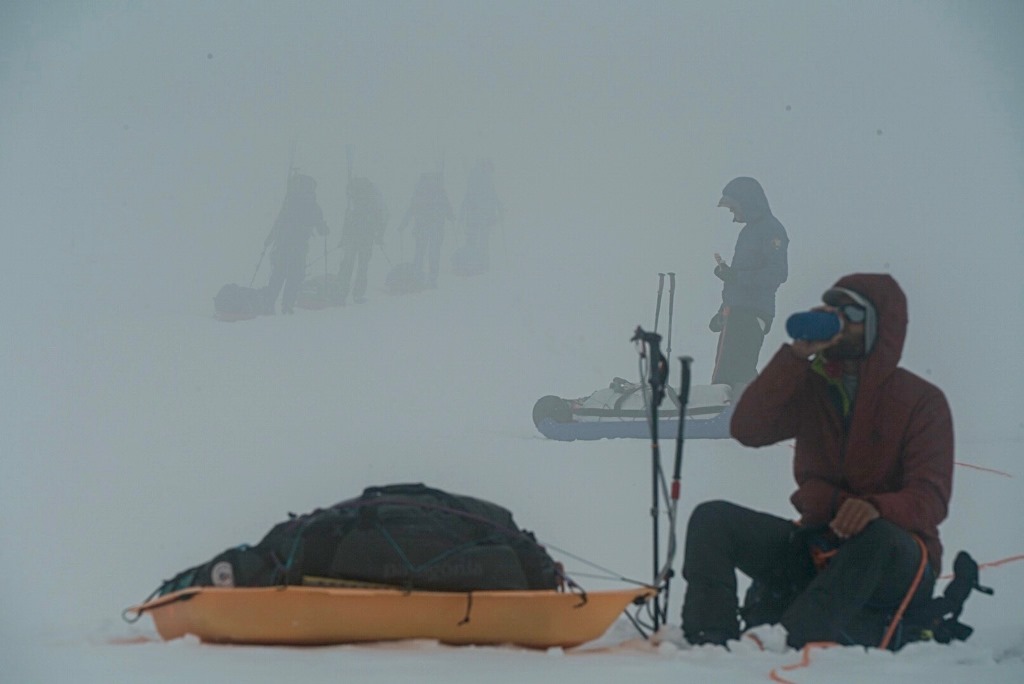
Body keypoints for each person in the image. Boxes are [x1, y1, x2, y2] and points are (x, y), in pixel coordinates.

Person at [681, 274, 954, 650]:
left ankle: (786, 641)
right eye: (832, 308)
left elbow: (931, 498)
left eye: (852, 312)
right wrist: (796, 357)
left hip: (897, 557)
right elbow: (748, 429)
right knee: (713, 519)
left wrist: (875, 508)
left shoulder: (921, 401)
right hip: (820, 543)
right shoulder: (812, 386)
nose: (839, 318)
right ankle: (710, 640)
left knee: (878, 538)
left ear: (879, 326)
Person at [709, 177, 788, 393]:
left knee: (735, 373)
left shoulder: (771, 230)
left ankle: (746, 417)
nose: (734, 216)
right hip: (737, 312)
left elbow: (777, 273)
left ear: (748, 202)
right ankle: (734, 418)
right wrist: (721, 312)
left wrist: (736, 276)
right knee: (727, 373)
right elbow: (737, 280)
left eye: (734, 209)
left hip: (750, 312)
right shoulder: (748, 232)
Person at [263, 172, 328, 314]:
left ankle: (269, 304)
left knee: (278, 274)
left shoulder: (290, 201)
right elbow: (321, 228)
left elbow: (280, 221)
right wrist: (324, 228)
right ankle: (287, 306)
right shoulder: (312, 204)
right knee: (295, 275)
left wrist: (269, 239)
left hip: (283, 244)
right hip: (299, 246)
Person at [398, 171, 455, 288]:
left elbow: (411, 209)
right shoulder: (440, 191)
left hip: (421, 228)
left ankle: (417, 277)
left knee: (419, 253)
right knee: (434, 254)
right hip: (437, 228)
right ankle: (432, 279)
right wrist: (452, 217)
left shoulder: (419, 192)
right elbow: (447, 208)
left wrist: (403, 224)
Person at [337, 176, 387, 305]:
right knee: (362, 267)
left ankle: (341, 294)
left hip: (351, 238)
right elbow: (380, 219)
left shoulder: (353, 201)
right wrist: (379, 236)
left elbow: (347, 220)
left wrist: (343, 238)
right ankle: (358, 294)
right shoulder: (372, 201)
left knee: (347, 266)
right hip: (366, 238)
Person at [456, 158, 503, 274]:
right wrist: (497, 211)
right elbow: (492, 198)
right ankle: (482, 264)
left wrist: (462, 215)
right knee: (483, 241)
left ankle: (470, 263)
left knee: (472, 239)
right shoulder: (486, 180)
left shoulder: (473, 178)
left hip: (472, 216)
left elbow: (467, 197)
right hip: (483, 216)